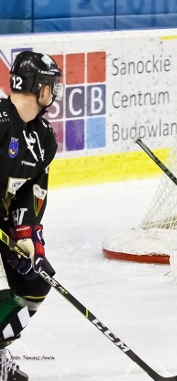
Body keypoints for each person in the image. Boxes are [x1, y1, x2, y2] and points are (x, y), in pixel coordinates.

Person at [0, 51, 63, 380]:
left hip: (2, 224)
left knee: (36, 281)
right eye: (51, 85)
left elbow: (31, 191)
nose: (54, 91)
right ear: (38, 88)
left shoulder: (43, 138)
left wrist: (27, 236)